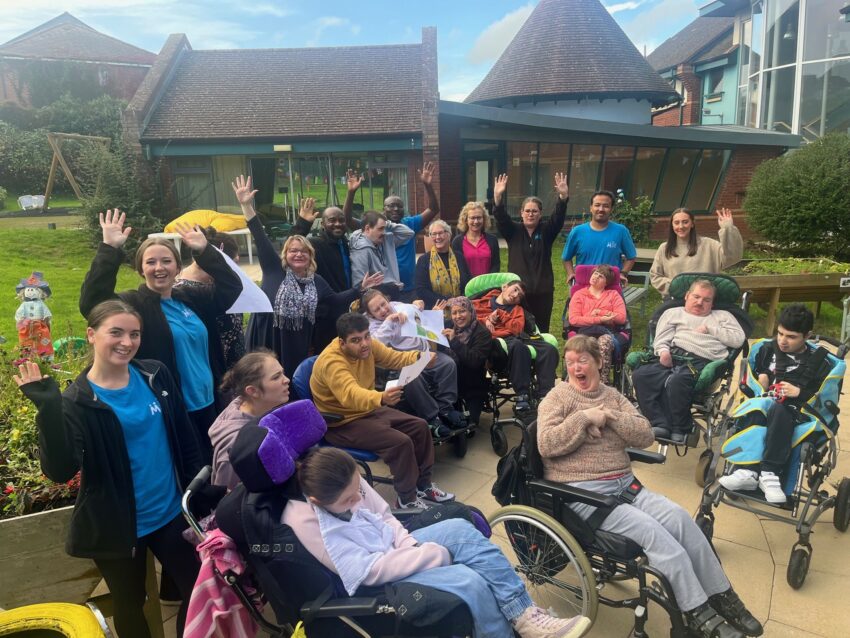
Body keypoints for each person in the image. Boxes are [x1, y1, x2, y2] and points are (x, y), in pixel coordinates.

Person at [537, 336, 762, 638]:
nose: (576, 367)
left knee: (683, 521)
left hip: (625, 486)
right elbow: (546, 444)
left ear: (599, 363)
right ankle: (696, 612)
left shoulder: (613, 396)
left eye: (583, 360)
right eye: (571, 361)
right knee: (657, 537)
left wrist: (609, 417)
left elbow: (645, 434)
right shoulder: (558, 397)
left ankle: (723, 596)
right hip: (585, 493)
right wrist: (583, 418)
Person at [14, 300, 205, 638]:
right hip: (117, 525)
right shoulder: (78, 401)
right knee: (129, 602)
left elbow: (184, 438)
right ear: (91, 335)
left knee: (198, 588)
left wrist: (197, 496)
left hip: (170, 513)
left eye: (134, 334)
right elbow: (60, 470)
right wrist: (49, 410)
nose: (126, 342)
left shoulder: (154, 374)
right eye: (115, 332)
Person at [284, 447, 593, 638]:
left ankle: (524, 615)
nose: (357, 500)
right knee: (469, 581)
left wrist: (406, 542)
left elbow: (384, 514)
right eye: (348, 500)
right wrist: (429, 556)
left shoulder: (342, 473)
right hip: (378, 572)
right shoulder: (308, 521)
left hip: (393, 546)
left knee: (460, 528)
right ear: (317, 502)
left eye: (358, 491)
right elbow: (369, 571)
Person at [79, 210, 242, 461]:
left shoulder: (191, 298)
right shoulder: (133, 305)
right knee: (191, 471)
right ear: (140, 269)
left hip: (209, 402)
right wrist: (109, 249)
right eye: (150, 262)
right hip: (172, 408)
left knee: (215, 467)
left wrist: (205, 252)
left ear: (178, 266)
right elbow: (92, 304)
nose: (159, 268)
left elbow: (232, 288)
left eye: (166, 261)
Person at [232, 175, 383, 378]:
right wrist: (246, 206)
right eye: (293, 250)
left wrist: (359, 289)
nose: (298, 254)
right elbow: (259, 235)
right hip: (268, 339)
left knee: (291, 385)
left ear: (311, 256)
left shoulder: (316, 282)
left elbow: (336, 300)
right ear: (285, 254)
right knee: (264, 383)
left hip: (297, 344)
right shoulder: (274, 269)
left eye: (304, 251)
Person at [310, 312, 453, 509]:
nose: (365, 344)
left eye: (367, 336)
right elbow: (351, 395)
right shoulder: (332, 362)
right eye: (356, 340)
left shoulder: (368, 346)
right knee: (400, 443)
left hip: (367, 411)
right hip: (341, 422)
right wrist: (381, 398)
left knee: (420, 426)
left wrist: (419, 357)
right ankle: (407, 499)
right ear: (342, 343)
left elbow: (393, 358)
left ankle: (424, 485)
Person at [719, 304, 832, 504]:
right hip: (764, 404)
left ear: (807, 336)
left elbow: (823, 396)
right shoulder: (767, 350)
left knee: (778, 408)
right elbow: (755, 376)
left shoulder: (818, 363)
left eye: (791, 336)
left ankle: (769, 472)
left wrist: (800, 393)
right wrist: (762, 377)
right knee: (757, 407)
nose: (782, 340)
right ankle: (748, 471)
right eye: (780, 333)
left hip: (796, 411)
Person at [632, 279, 746, 443]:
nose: (700, 302)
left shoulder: (723, 317)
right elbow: (661, 339)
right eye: (696, 296)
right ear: (687, 295)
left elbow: (737, 340)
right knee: (641, 375)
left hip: (702, 360)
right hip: (675, 354)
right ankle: (659, 423)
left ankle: (681, 427)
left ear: (712, 303)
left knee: (678, 381)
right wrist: (663, 352)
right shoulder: (673, 313)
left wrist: (711, 328)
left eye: (706, 300)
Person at [362, 289, 464, 435]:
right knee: (412, 379)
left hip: (425, 352)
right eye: (377, 310)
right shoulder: (372, 325)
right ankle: (432, 417)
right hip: (403, 360)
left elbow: (414, 310)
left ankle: (445, 409)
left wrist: (417, 305)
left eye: (383, 304)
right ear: (371, 314)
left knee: (448, 364)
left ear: (387, 299)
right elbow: (377, 344)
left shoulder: (396, 305)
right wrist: (389, 322)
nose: (383, 310)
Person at [345, 163, 441, 295]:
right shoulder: (374, 226)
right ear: (384, 208)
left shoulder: (410, 223)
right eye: (391, 206)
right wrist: (351, 193)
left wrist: (428, 185)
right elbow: (348, 220)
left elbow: (433, 209)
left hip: (409, 288)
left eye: (399, 206)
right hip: (383, 289)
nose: (396, 209)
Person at [492, 172, 569, 333]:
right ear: (521, 213)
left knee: (541, 331)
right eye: (527, 211)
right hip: (518, 293)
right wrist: (498, 198)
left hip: (543, 292)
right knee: (518, 329)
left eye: (534, 211)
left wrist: (563, 198)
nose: (530, 214)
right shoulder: (513, 231)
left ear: (540, 214)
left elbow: (558, 218)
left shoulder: (547, 231)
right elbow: (501, 218)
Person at [209, 350, 291, 491]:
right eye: (276, 377)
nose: (287, 380)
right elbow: (229, 499)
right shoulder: (235, 447)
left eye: (282, 373)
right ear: (252, 391)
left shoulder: (256, 405)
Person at [472, 279, 558, 410]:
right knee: (518, 346)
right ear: (504, 287)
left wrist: (501, 314)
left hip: (517, 337)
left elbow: (517, 329)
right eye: (515, 289)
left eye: (520, 296)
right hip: (496, 341)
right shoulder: (483, 302)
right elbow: (468, 318)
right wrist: (486, 319)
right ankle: (522, 394)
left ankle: (545, 395)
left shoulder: (517, 309)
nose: (516, 295)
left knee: (549, 349)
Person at [288, 198, 357, 350]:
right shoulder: (315, 244)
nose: (338, 224)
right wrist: (303, 223)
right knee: (327, 353)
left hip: (346, 307)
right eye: (332, 220)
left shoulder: (346, 244)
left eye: (341, 220)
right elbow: (291, 244)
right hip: (324, 313)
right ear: (323, 224)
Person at [175, 227, 245, 371]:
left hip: (236, 368)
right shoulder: (183, 292)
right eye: (231, 265)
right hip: (211, 367)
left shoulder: (220, 284)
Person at [650, 208, 744, 296]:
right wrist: (677, 288)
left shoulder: (709, 245)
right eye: (676, 223)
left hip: (706, 299)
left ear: (692, 224)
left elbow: (733, 256)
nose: (681, 226)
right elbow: (655, 276)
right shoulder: (664, 248)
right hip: (675, 299)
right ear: (672, 225)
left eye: (685, 222)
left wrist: (728, 229)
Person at [561, 191, 637, 287]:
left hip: (611, 286)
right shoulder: (577, 232)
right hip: (584, 286)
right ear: (591, 208)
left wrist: (623, 273)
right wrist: (571, 273)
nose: (601, 209)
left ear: (611, 209)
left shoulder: (621, 231)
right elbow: (566, 258)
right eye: (597, 205)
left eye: (606, 206)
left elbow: (631, 257)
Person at [567, 264, 628, 384]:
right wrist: (600, 319)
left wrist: (600, 312)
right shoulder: (579, 295)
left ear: (606, 282)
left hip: (607, 332)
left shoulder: (613, 295)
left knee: (604, 341)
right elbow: (574, 319)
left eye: (601, 276)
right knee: (588, 343)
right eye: (595, 273)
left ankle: (601, 383)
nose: (596, 277)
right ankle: (583, 380)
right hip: (585, 331)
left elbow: (621, 318)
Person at [443, 296, 492, 427]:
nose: (458, 316)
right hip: (452, 386)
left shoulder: (482, 333)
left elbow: (474, 361)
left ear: (471, 312)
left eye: (462, 311)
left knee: (470, 426)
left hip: (474, 386)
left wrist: (454, 342)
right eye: (454, 313)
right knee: (451, 426)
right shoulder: (447, 328)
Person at [349, 211, 413, 300]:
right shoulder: (361, 250)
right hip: (378, 297)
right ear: (367, 229)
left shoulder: (383, 239)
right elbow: (358, 285)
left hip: (392, 291)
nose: (384, 232)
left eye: (384, 228)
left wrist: (388, 224)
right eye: (380, 228)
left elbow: (409, 233)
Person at [415, 219, 471, 307]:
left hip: (461, 308)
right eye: (434, 234)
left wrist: (459, 301)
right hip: (436, 310)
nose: (437, 237)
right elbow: (421, 290)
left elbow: (468, 282)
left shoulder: (459, 257)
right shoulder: (424, 260)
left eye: (441, 233)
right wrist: (446, 301)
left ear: (449, 235)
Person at [451, 201, 500, 278]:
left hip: (488, 286)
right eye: (472, 218)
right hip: (467, 287)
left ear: (484, 219)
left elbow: (496, 265)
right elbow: (457, 268)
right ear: (466, 220)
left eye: (479, 218)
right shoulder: (457, 242)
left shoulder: (492, 240)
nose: (476, 221)